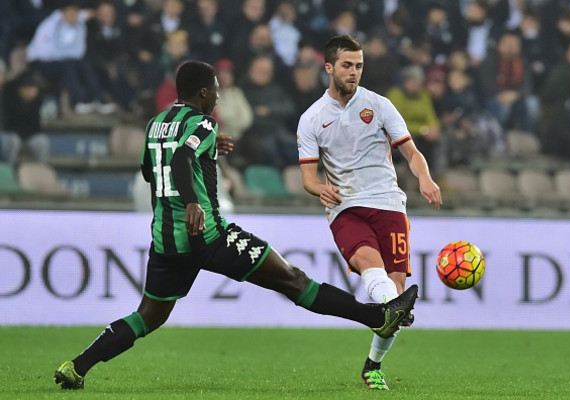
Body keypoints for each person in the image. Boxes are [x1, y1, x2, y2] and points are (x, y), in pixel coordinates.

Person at [53, 60, 419, 390]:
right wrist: (193, 200)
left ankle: (76, 367)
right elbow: (181, 157)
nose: (218, 95)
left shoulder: (155, 124)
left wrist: (207, 153)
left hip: (166, 241)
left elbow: (153, 170)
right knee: (293, 280)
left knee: (147, 317)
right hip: (208, 234)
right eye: (215, 89)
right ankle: (378, 316)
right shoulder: (203, 122)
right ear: (202, 92)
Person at [297, 35, 442, 390]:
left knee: (394, 292)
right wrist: (321, 188)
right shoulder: (312, 118)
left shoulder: (379, 105)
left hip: (390, 204)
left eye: (359, 65)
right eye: (347, 65)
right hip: (346, 206)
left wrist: (424, 177)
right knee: (368, 265)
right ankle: (396, 307)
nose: (354, 72)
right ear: (329, 67)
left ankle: (372, 364)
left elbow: (411, 152)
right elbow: (307, 178)